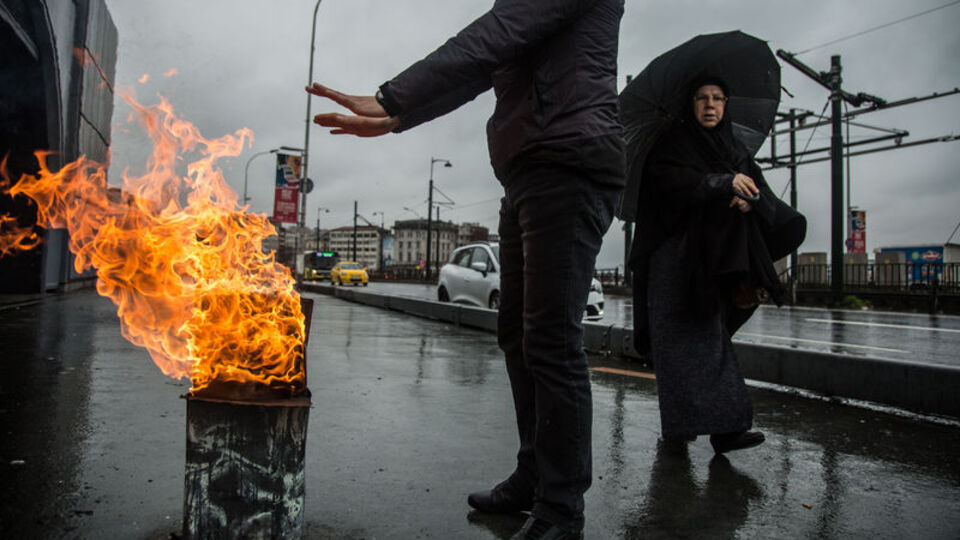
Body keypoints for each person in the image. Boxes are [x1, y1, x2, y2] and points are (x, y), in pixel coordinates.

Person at [306, 1, 625, 538]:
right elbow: (485, 63)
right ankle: (535, 476)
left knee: (549, 340)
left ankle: (562, 510)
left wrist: (392, 95)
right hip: (529, 164)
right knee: (518, 336)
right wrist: (399, 116)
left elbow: (496, 33)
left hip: (569, 159)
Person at [629, 77, 805, 454]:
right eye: (702, 98)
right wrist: (721, 184)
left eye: (718, 98)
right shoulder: (671, 144)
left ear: (727, 105)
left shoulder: (736, 149)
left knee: (707, 339)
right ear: (689, 104)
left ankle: (711, 428)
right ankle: (703, 428)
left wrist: (749, 201)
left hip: (720, 260)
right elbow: (668, 184)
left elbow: (764, 197)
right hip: (675, 259)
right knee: (683, 343)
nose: (710, 105)